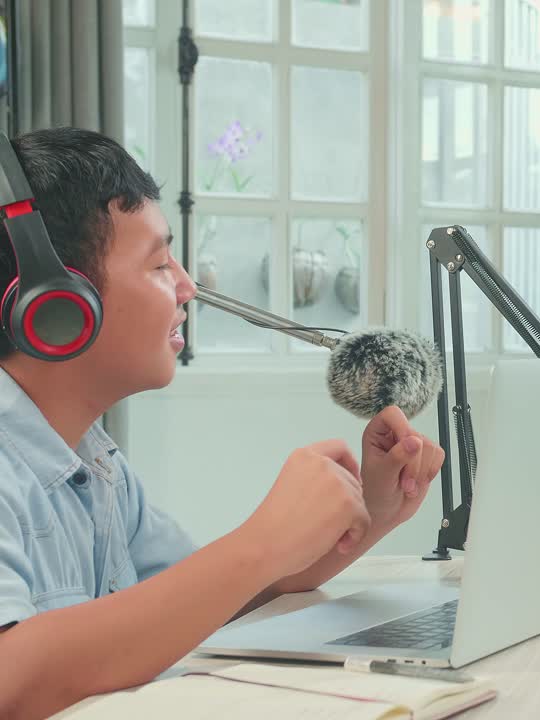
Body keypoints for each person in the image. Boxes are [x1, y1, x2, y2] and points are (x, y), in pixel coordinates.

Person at [0, 127, 445, 720]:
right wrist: (261, 543)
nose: (187, 285)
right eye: (159, 263)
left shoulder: (95, 462)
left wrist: (369, 514)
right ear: (57, 307)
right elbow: (12, 681)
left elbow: (205, 601)